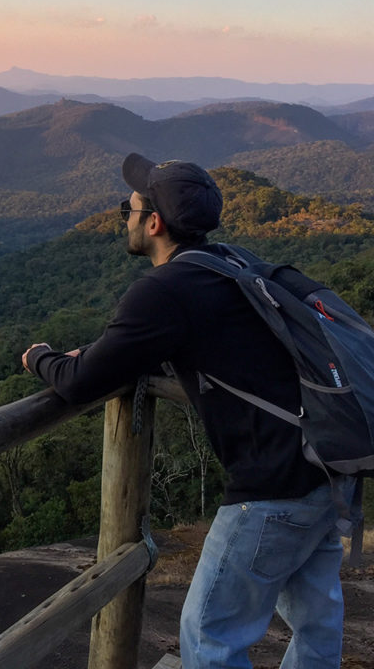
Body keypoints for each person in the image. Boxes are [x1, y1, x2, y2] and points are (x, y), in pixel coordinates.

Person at [21, 153, 348, 668]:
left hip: (274, 487)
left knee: (209, 636)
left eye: (128, 209)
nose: (123, 217)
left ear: (153, 223)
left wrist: (40, 358)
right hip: (329, 465)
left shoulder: (163, 291)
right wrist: (112, 355)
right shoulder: (230, 262)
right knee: (317, 624)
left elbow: (81, 383)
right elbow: (212, 343)